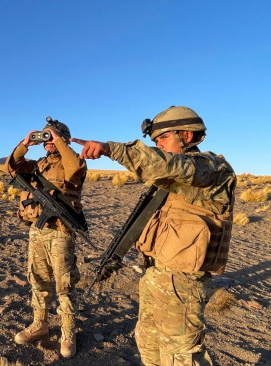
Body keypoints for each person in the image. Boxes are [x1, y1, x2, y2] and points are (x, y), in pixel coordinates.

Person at [71, 106, 236, 366]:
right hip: (154, 276)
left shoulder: (211, 169)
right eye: (155, 142)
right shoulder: (171, 179)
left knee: (181, 356)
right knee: (148, 345)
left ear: (187, 136)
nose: (158, 147)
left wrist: (110, 149)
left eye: (163, 140)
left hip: (183, 285)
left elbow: (167, 165)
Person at [4, 118, 87, 358]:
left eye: (50, 137)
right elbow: (10, 168)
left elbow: (75, 169)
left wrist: (60, 141)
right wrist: (25, 143)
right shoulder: (38, 164)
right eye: (45, 137)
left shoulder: (72, 162)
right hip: (37, 231)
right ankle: (40, 324)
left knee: (64, 283)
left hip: (61, 231)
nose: (47, 141)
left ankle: (68, 332)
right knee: (38, 278)